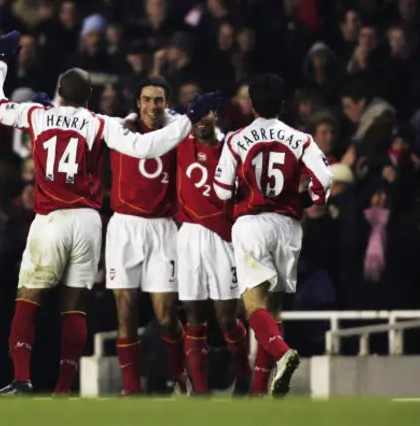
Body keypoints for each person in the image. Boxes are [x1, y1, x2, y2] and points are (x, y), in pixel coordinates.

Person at [0, 31, 222, 395]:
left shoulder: (36, 114)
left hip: (51, 219)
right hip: (90, 223)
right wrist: (189, 118)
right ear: (89, 97)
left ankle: (22, 378)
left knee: (29, 299)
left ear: (60, 95)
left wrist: (0, 60)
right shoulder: (100, 123)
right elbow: (142, 147)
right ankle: (63, 388)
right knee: (75, 305)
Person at [213, 73, 332, 397]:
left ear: (251, 105)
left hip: (252, 223)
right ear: (283, 104)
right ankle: (257, 391)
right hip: (288, 227)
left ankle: (283, 353)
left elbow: (222, 190)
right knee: (273, 308)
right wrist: (300, 200)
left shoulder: (236, 140)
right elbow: (324, 184)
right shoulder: (301, 139)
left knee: (254, 308)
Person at [105, 76, 189, 395]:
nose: (153, 106)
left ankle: (179, 372)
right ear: (137, 102)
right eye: (147, 99)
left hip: (162, 228)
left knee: (166, 316)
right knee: (125, 309)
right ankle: (131, 390)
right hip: (124, 227)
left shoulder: (177, 133)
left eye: (159, 100)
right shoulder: (119, 130)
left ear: (166, 103)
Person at [176, 111, 252, 395]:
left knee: (226, 318)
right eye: (195, 119)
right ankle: (201, 390)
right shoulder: (181, 145)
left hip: (223, 240)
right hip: (188, 236)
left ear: (216, 119)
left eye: (206, 118)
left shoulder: (230, 150)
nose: (200, 125)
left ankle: (244, 370)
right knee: (193, 314)